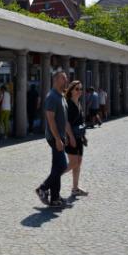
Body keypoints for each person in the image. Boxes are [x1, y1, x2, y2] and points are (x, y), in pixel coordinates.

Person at [35, 71, 75, 207]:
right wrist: (58, 139)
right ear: (56, 80)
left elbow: (63, 120)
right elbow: (51, 120)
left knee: (56, 167)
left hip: (60, 136)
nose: (67, 80)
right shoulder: (52, 97)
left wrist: (68, 135)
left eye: (66, 78)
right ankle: (42, 188)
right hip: (53, 136)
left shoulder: (61, 96)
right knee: (62, 165)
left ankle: (55, 198)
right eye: (64, 78)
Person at [63, 81, 88, 196]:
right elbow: (66, 123)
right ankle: (52, 179)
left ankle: (75, 188)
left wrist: (83, 136)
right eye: (77, 89)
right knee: (73, 163)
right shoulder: (67, 104)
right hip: (70, 137)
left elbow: (80, 122)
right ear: (71, 90)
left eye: (81, 89)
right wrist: (71, 137)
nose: (79, 91)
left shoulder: (78, 103)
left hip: (79, 137)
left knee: (78, 163)